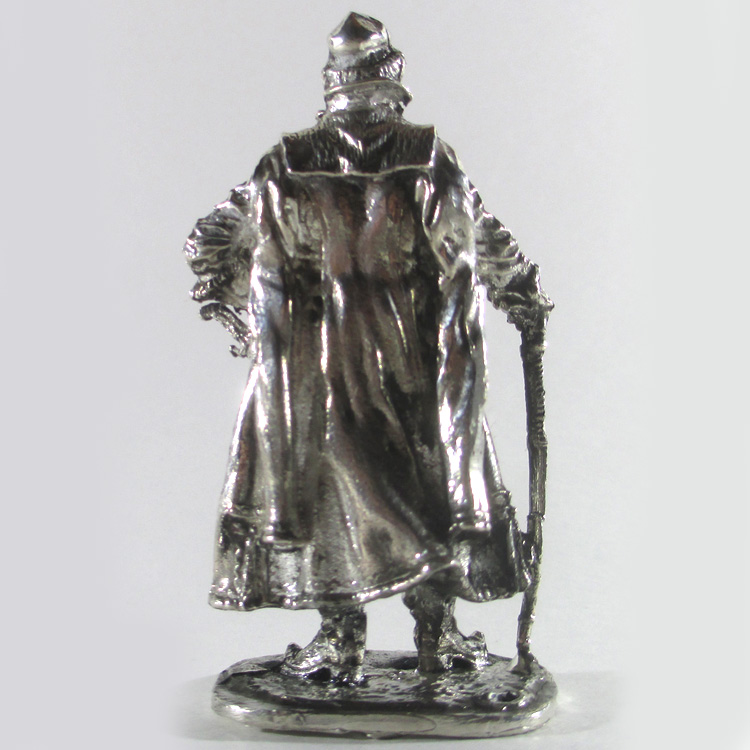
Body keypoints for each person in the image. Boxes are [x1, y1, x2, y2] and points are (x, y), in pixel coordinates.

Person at [184, 12, 552, 684]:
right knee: (411, 488)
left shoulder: (293, 163)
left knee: (363, 491)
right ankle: (394, 635)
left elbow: (211, 238)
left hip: (332, 365)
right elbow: (481, 235)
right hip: (398, 359)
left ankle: (383, 637)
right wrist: (520, 289)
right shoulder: (419, 158)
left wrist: (231, 301)